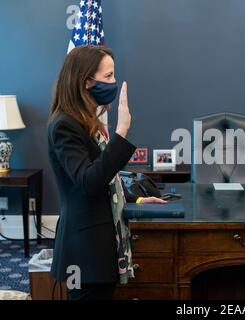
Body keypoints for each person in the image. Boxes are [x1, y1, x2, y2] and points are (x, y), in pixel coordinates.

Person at [48, 45, 166, 300]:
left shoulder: (86, 119)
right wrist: (122, 131)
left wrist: (135, 199)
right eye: (109, 75)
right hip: (83, 253)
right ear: (86, 81)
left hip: (98, 249)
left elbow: (105, 178)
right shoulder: (64, 125)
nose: (114, 82)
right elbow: (88, 182)